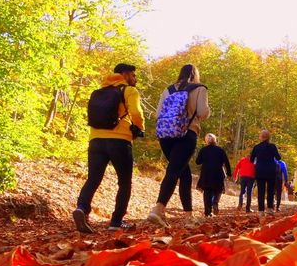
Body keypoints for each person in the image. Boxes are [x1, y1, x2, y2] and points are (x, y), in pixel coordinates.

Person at [73, 63, 145, 233]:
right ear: (125, 74)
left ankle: (82, 208)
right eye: (133, 75)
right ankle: (116, 221)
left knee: (93, 179)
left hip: (96, 140)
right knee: (124, 182)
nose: (135, 79)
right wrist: (140, 128)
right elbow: (136, 113)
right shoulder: (129, 91)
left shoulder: (98, 92)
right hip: (120, 141)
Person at [148, 64, 210, 227]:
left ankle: (188, 216)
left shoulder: (167, 90)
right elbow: (203, 112)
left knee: (184, 173)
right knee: (174, 170)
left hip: (166, 135)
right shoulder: (199, 88)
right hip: (186, 134)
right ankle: (158, 209)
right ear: (195, 74)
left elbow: (158, 113)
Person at [195, 133, 231, 217]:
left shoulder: (203, 150)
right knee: (218, 190)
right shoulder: (220, 150)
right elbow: (227, 162)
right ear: (215, 140)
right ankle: (215, 203)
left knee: (207, 192)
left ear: (206, 141)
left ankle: (208, 212)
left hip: (206, 174)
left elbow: (197, 162)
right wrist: (229, 174)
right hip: (218, 173)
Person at [250, 129, 282, 215]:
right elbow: (278, 158)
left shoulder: (256, 147)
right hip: (271, 170)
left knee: (261, 190)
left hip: (260, 170)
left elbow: (251, 160)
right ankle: (270, 208)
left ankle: (261, 210)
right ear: (269, 137)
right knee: (270, 190)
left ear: (260, 137)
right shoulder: (272, 146)